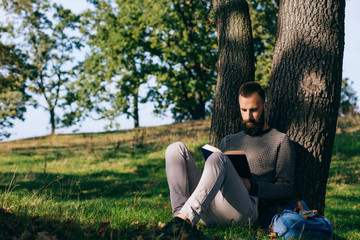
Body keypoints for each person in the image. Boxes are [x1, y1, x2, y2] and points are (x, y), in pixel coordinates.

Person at [161, 82, 295, 239]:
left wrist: (252, 186)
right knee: (175, 149)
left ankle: (183, 221)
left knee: (218, 158)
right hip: (210, 207)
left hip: (247, 210)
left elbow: (286, 189)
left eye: (253, 110)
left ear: (265, 106)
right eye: (243, 110)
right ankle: (179, 220)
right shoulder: (228, 140)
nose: (248, 116)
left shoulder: (280, 141)